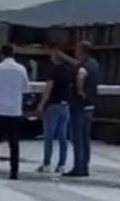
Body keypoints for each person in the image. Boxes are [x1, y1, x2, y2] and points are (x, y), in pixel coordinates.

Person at [0, 44, 29, 180]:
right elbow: (26, 89)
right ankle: (14, 172)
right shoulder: (21, 69)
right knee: (14, 143)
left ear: (1, 54)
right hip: (14, 111)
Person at [62, 41, 99, 178]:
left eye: (77, 49)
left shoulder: (82, 67)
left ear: (82, 51)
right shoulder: (94, 64)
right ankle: (85, 166)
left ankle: (78, 167)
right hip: (90, 105)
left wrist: (79, 90)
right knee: (85, 138)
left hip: (79, 106)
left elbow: (80, 76)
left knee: (77, 138)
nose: (75, 52)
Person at [36, 46, 74, 174]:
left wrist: (41, 105)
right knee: (63, 136)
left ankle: (47, 163)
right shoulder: (69, 70)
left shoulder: (53, 71)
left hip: (53, 105)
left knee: (49, 136)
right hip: (65, 105)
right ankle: (62, 164)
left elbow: (48, 89)